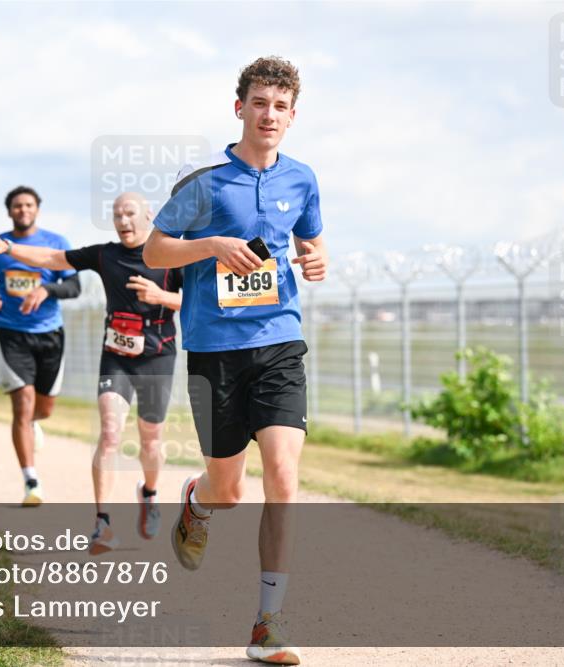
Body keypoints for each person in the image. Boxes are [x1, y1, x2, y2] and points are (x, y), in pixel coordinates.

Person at [143, 56, 328, 665]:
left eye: (280, 106)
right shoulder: (205, 184)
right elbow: (154, 250)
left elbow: (311, 238)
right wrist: (213, 244)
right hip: (214, 351)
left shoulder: (301, 179)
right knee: (230, 492)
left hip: (278, 341)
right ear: (240, 108)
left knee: (283, 475)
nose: (269, 115)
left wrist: (317, 259)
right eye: (259, 103)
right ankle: (197, 502)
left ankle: (267, 624)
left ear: (292, 116)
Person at [0, 191, 182, 551]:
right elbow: (53, 258)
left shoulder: (173, 256)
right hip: (116, 356)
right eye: (117, 215)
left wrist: (162, 297)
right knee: (109, 433)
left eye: (130, 213)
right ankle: (102, 524)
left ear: (149, 215)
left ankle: (149, 493)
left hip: (158, 356)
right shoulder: (105, 254)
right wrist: (9, 249)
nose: (123, 221)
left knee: (150, 438)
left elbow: (199, 301)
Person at [0, 185, 81, 506]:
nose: (23, 210)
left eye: (29, 205)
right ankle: (31, 481)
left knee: (43, 408)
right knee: (22, 403)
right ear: (9, 211)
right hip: (10, 333)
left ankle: (34, 423)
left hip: (50, 334)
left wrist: (47, 290)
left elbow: (74, 285)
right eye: (17, 206)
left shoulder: (56, 244)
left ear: (37, 209)